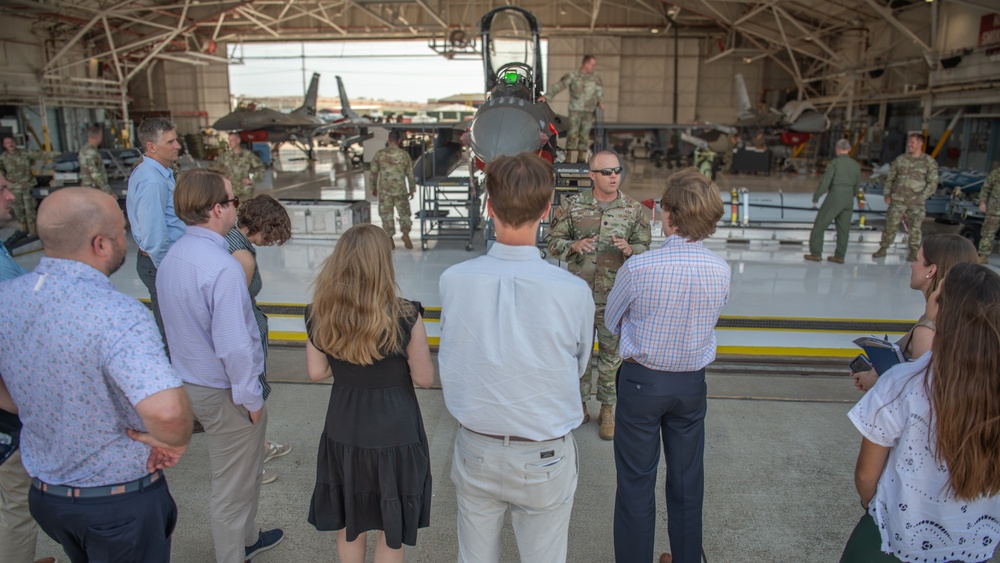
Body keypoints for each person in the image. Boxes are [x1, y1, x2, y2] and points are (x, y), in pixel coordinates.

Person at [0, 187, 192, 563]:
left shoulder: (8, 298)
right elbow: (167, 412)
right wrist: (175, 440)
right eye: (123, 230)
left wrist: (34, 406)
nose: (128, 238)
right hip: (116, 504)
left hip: (48, 496)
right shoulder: (118, 314)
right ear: (101, 244)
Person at [439, 152, 595, 563]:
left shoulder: (454, 281)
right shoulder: (572, 290)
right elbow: (579, 365)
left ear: (488, 207)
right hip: (543, 452)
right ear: (547, 209)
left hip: (477, 447)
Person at [156, 169, 283, 563]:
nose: (236, 207)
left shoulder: (174, 256)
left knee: (240, 476)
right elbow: (234, 345)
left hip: (188, 381)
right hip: (224, 390)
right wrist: (251, 398)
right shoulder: (222, 267)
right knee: (232, 486)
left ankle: (248, 538)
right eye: (232, 201)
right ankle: (234, 554)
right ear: (216, 209)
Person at [606, 167, 731, 563]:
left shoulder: (640, 268)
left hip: (643, 382)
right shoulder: (720, 270)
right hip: (692, 385)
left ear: (670, 216)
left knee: (636, 484)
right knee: (687, 481)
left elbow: (611, 320)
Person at [841, 262, 1000, 563]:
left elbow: (866, 475)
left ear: (943, 310)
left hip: (897, 537)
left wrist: (874, 507)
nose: (934, 289)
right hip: (975, 541)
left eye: (939, 290)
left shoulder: (903, 383)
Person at [304, 223, 434, 563]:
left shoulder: (320, 312)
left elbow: (316, 372)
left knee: (350, 520)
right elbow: (424, 378)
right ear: (383, 264)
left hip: (345, 427)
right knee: (391, 528)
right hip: (396, 431)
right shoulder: (406, 315)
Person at [547, 150, 651, 440]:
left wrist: (631, 250)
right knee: (577, 353)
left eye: (617, 170)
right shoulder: (572, 206)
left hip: (614, 297)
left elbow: (646, 246)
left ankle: (608, 409)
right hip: (578, 298)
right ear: (591, 175)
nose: (613, 176)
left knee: (611, 356)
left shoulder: (632, 210)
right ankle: (578, 404)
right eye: (606, 172)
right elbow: (552, 242)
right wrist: (573, 246)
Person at [0, 174, 55, 563]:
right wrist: (17, 406)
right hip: (9, 408)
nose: (11, 194)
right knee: (16, 504)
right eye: (1, 189)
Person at [851, 233, 978, 392]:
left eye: (917, 260)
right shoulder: (966, 317)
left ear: (931, 270)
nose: (912, 265)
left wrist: (875, 382)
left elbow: (921, 394)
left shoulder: (928, 330)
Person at [225, 194, 293, 485]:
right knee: (249, 398)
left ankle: (260, 448)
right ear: (264, 226)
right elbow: (233, 312)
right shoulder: (241, 256)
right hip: (244, 337)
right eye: (272, 234)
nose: (271, 241)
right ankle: (252, 465)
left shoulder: (227, 238)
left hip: (245, 332)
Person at [125, 118, 185, 346]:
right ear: (151, 147)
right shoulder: (153, 181)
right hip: (161, 264)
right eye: (170, 142)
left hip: (162, 262)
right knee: (172, 334)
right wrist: (170, 272)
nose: (177, 145)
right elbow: (154, 237)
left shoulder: (161, 174)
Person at [872, 133, 939, 262]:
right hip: (898, 200)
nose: (909, 144)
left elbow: (933, 183)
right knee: (890, 225)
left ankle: (914, 251)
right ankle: (884, 248)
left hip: (916, 202)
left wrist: (921, 197)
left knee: (915, 227)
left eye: (913, 142)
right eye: (909, 142)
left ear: (920, 144)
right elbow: (890, 178)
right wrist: (887, 194)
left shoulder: (929, 162)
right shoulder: (900, 159)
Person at [805, 139, 861, 264]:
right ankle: (840, 256)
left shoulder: (835, 163)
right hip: (848, 199)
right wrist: (852, 195)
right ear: (849, 149)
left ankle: (816, 253)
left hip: (835, 196)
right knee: (843, 229)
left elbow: (825, 182)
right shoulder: (856, 165)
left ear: (837, 149)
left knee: (820, 225)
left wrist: (816, 197)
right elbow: (857, 186)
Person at [542, 55, 603, 163]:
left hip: (589, 111)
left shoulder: (595, 77)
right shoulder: (573, 76)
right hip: (575, 110)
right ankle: (568, 157)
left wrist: (600, 101)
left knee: (585, 134)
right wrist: (546, 97)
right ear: (586, 64)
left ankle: (581, 157)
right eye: (592, 65)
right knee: (572, 133)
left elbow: (599, 91)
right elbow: (559, 86)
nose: (594, 67)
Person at [0, 136, 57, 238]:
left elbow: (41, 155)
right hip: (15, 189)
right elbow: (1, 172)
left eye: (12, 142)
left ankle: (34, 233)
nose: (11, 144)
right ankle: (23, 232)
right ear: (4, 146)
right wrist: (7, 183)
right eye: (8, 143)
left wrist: (58, 154)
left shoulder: (25, 153)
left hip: (27, 186)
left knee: (30, 210)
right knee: (19, 211)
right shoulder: (3, 158)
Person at [370, 130, 416, 249]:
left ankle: (389, 238)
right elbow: (410, 174)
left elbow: (373, 172)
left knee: (386, 214)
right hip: (400, 190)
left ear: (389, 140)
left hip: (385, 191)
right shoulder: (404, 155)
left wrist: (373, 187)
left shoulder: (380, 154)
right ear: (399, 140)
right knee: (404, 213)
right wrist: (412, 189)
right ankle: (405, 234)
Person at [217, 132, 265, 201]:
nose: (230, 143)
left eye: (232, 140)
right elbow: (215, 169)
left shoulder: (248, 155)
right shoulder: (225, 156)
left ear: (238, 140)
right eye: (229, 141)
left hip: (244, 191)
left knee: (245, 210)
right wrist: (223, 178)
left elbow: (260, 169)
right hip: (229, 191)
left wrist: (251, 179)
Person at [78, 124, 115, 195]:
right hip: (93, 189)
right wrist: (108, 190)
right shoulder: (91, 152)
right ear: (99, 136)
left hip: (88, 189)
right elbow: (95, 173)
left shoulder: (83, 150)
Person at [976, 165, 1000, 264]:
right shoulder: (996, 173)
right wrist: (982, 202)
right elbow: (986, 188)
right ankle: (983, 255)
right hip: (994, 210)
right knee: (987, 233)